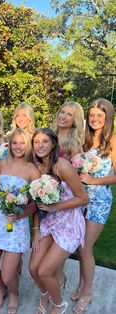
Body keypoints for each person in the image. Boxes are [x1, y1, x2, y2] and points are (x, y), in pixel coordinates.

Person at [29, 128, 88, 314]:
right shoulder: (37, 167)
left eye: (45, 141)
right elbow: (38, 204)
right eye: (36, 142)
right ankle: (46, 293)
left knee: (44, 271)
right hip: (49, 222)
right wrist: (36, 229)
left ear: (53, 144)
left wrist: (54, 207)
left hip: (68, 224)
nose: (40, 145)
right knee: (32, 268)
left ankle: (58, 304)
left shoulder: (62, 165)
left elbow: (83, 198)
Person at [0, 128, 40, 314]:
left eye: (22, 143)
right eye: (14, 143)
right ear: (9, 144)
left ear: (28, 145)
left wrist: (19, 215)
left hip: (17, 225)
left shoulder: (33, 170)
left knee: (8, 275)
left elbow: (36, 205)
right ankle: (1, 289)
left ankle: (13, 293)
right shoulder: (1, 164)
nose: (18, 146)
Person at [71, 99, 116, 314]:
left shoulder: (113, 141)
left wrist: (93, 181)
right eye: (92, 115)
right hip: (80, 199)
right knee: (80, 245)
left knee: (85, 247)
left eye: (99, 115)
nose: (95, 119)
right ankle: (81, 285)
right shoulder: (84, 142)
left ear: (107, 118)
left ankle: (88, 292)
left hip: (99, 201)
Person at [52, 101, 85, 287]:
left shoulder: (75, 144)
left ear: (75, 120)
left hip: (64, 197)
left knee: (60, 240)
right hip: (44, 193)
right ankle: (56, 277)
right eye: (62, 112)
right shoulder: (50, 134)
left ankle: (58, 278)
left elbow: (76, 176)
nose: (63, 117)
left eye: (69, 115)